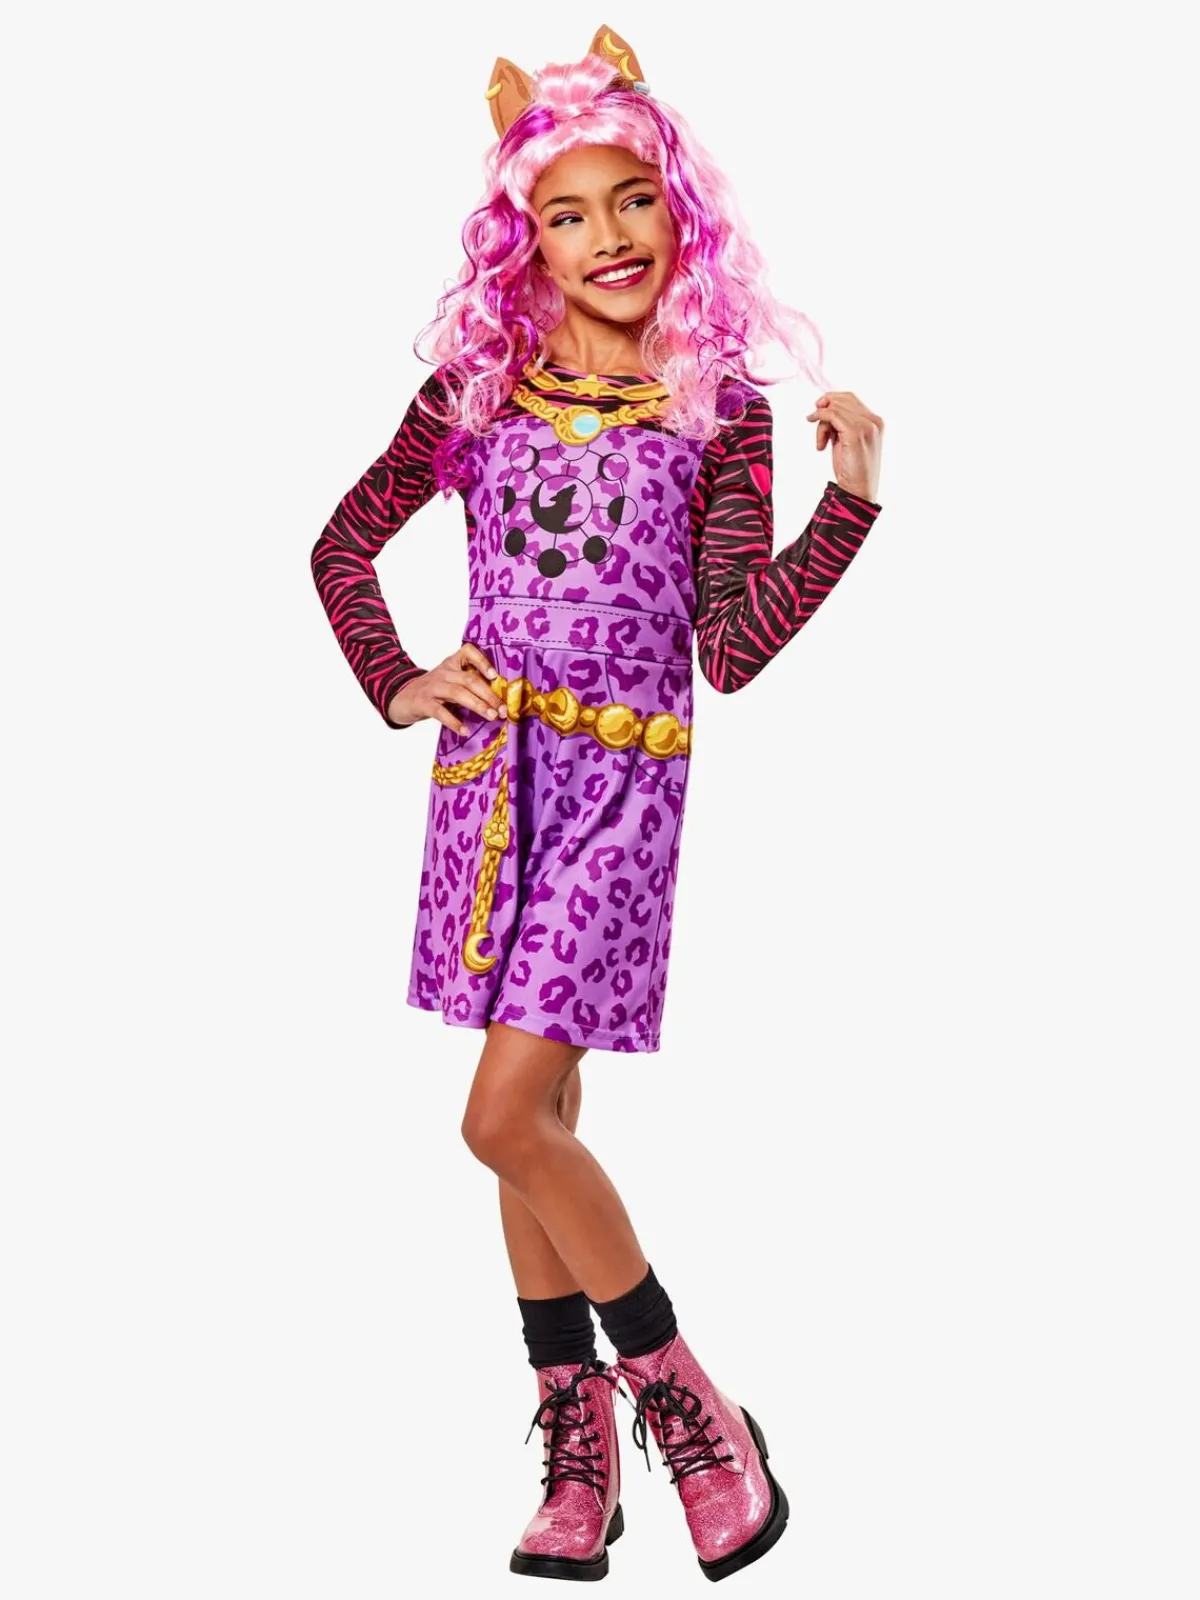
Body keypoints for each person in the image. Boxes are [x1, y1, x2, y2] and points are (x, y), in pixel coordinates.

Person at [311, 25, 884, 1584]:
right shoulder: (477, 391)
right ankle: (581, 1445)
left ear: (678, 210)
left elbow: (733, 645)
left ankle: (691, 1404)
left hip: (625, 791)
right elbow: (340, 546)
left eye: (633, 200)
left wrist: (850, 506)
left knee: (496, 1116)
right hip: (489, 789)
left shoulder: (716, 411)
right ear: (527, 238)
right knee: (541, 1126)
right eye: (567, 213)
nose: (608, 236)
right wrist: (399, 678)